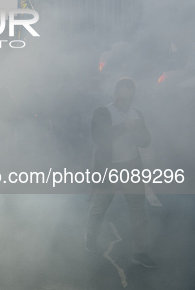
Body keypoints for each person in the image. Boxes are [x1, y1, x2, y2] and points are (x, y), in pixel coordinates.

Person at [85, 77, 156, 268]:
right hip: (109, 168)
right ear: (116, 94)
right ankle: (90, 243)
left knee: (138, 212)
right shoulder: (103, 112)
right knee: (99, 209)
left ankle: (141, 252)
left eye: (129, 99)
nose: (126, 102)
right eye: (123, 97)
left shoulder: (137, 114)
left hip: (131, 167)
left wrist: (137, 132)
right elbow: (99, 138)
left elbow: (146, 141)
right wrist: (124, 127)